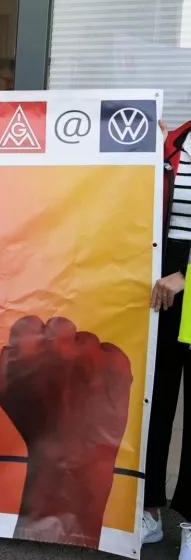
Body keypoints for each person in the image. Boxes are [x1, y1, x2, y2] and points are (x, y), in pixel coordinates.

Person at [143, 117, 191, 554]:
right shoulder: (173, 138)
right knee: (153, 402)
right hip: (163, 281)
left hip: (185, 278)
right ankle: (150, 509)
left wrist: (187, 276)